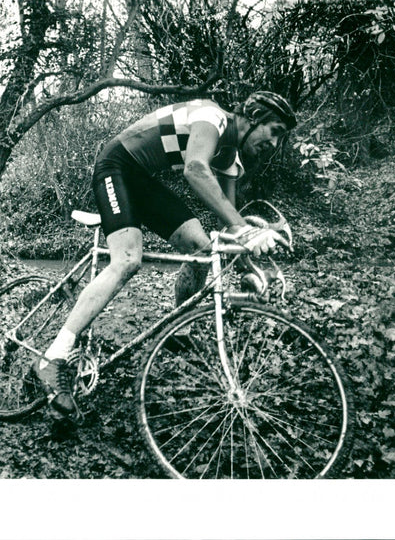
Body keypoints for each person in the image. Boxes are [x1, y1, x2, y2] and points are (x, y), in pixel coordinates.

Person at [33, 91, 297, 420]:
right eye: (274, 131)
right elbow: (196, 168)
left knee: (202, 247)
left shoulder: (231, 157)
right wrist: (246, 229)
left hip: (141, 179)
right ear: (253, 116)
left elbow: (229, 225)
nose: (274, 144)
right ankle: (52, 357)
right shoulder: (211, 117)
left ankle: (179, 331)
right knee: (128, 260)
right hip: (115, 166)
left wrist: (249, 267)